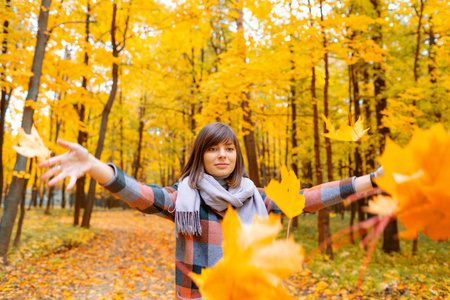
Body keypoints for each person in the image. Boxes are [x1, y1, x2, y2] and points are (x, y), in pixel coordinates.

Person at [39, 122, 382, 300]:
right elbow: (141, 195)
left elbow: (307, 199)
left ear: (236, 155)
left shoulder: (257, 199)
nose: (222, 155)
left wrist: (370, 180)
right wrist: (96, 166)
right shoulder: (184, 199)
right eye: (213, 149)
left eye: (229, 148)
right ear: (200, 156)